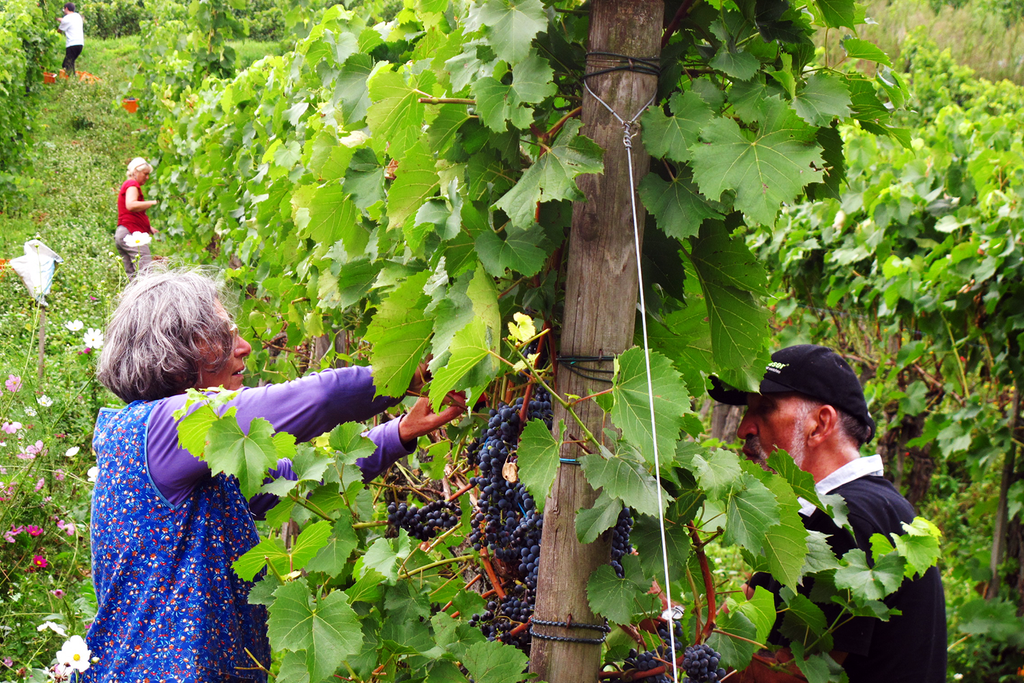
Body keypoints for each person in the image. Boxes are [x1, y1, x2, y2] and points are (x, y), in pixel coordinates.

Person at [85, 268, 466, 682]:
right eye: (226, 334)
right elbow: (321, 397)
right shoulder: (164, 430)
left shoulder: (196, 460)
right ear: (184, 349)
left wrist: (399, 433)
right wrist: (405, 375)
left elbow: (302, 485)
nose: (245, 347)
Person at [709, 345, 946, 683]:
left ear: (820, 424)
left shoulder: (845, 522)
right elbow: (736, 623)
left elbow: (786, 676)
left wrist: (672, 633)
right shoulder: (852, 511)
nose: (743, 428)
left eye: (764, 409)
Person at [114, 158, 157, 279]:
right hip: (132, 233)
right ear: (135, 172)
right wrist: (154, 202)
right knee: (146, 274)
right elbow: (131, 205)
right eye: (145, 174)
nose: (147, 177)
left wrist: (148, 227)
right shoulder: (132, 184)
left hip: (123, 233)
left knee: (133, 277)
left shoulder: (128, 185)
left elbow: (130, 213)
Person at [56, 3, 84, 77]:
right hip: (80, 44)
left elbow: (59, 30)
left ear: (66, 9)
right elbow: (68, 21)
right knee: (71, 63)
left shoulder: (66, 19)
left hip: (72, 45)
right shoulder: (77, 16)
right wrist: (58, 19)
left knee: (66, 64)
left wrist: (52, 34)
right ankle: (72, 78)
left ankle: (71, 80)